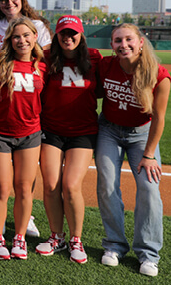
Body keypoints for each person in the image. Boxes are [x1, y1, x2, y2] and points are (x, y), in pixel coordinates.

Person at [96, 23, 170, 277]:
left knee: (149, 188)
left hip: (142, 135)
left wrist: (149, 154)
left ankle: (148, 253)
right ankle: (114, 245)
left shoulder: (158, 74)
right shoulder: (106, 65)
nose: (123, 45)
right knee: (107, 184)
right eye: (118, 40)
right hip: (109, 130)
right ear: (112, 45)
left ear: (140, 42)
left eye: (129, 40)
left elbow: (159, 119)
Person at [34, 15, 101, 264]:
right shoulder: (47, 57)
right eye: (63, 33)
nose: (68, 37)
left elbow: (102, 89)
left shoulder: (94, 58)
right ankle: (56, 236)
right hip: (51, 130)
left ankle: (76, 239)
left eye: (73, 33)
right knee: (51, 185)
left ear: (81, 35)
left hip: (82, 131)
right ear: (56, 35)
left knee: (71, 186)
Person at [0, 0, 51, 237]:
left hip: (29, 114)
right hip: (0, 104)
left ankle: (26, 219)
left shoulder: (37, 25)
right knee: (1, 183)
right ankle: (0, 223)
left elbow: (45, 59)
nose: (9, 2)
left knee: (25, 183)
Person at [0, 17, 47, 260]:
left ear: (34, 37)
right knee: (1, 187)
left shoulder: (42, 65)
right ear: (10, 40)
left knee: (24, 189)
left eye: (26, 35)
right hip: (0, 133)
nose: (22, 40)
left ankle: (19, 237)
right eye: (16, 36)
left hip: (30, 134)